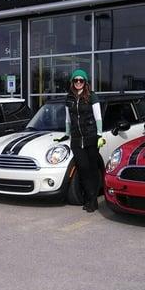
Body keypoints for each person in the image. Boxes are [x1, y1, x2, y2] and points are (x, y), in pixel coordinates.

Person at [55, 69, 106, 213]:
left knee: (92, 169)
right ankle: (90, 197)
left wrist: (100, 135)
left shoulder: (91, 96)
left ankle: (93, 200)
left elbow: (98, 117)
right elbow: (67, 119)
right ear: (72, 82)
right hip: (76, 139)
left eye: (81, 80)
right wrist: (66, 134)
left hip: (91, 137)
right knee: (83, 169)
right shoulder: (69, 98)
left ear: (85, 82)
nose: (78, 83)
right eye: (76, 80)